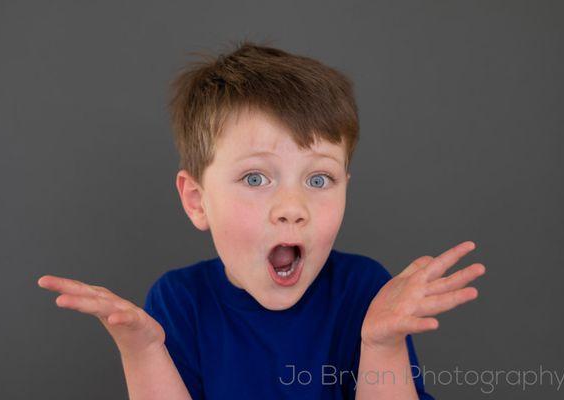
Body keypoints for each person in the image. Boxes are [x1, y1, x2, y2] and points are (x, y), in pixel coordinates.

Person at [37, 41, 486, 399]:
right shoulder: (180, 301)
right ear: (197, 201)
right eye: (256, 177)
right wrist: (141, 352)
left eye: (319, 178)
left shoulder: (366, 292)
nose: (292, 207)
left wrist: (381, 347)